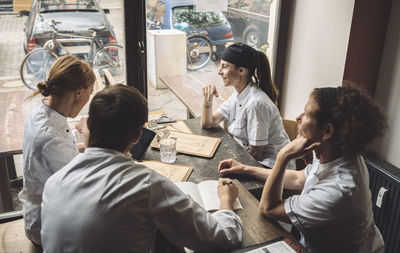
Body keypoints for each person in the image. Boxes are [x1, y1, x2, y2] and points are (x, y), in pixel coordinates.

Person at [41, 84, 243, 252]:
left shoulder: (54, 182)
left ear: (89, 125)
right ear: (137, 137)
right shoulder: (146, 185)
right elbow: (222, 238)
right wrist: (226, 201)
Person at [219, 85, 386, 253]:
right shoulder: (339, 154)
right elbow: (297, 179)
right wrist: (245, 169)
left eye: (306, 114)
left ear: (327, 131)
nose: (298, 117)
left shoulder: (337, 191)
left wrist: (283, 157)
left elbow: (268, 208)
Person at [18, 55, 95, 246]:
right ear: (79, 92)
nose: (89, 98)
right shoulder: (51, 138)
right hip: (46, 227)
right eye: (90, 92)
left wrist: (87, 144)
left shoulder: (41, 113)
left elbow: (61, 154)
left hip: (40, 211)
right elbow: (85, 186)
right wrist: (88, 135)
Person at [202, 42, 294, 169]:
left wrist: (228, 161)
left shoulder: (256, 104)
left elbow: (257, 154)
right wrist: (208, 99)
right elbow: (208, 123)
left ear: (241, 70)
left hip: (272, 167)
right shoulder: (238, 94)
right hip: (252, 160)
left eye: (224, 66)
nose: (219, 72)